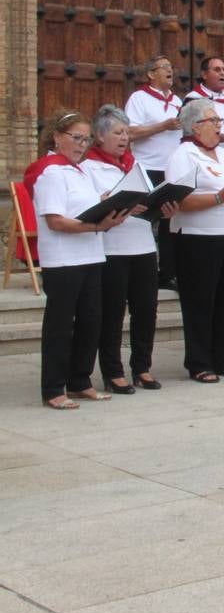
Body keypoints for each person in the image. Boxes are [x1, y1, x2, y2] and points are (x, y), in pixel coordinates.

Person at [34, 110, 133, 408]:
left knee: (91, 322)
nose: (81, 144)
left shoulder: (79, 171)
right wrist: (96, 226)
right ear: (57, 137)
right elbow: (56, 221)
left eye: (85, 139)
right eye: (75, 138)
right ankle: (53, 388)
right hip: (64, 261)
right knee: (61, 326)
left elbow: (87, 206)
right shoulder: (50, 172)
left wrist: (111, 205)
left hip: (91, 255)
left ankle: (80, 381)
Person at [82, 106, 171, 393]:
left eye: (126, 133)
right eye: (118, 133)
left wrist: (162, 207)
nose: (124, 139)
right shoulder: (89, 167)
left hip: (143, 245)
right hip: (112, 249)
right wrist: (112, 200)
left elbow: (147, 200)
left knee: (146, 310)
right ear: (99, 136)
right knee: (112, 313)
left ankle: (142, 366)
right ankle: (112, 371)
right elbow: (89, 206)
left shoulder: (137, 164)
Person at [166, 99, 224, 382]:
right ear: (196, 126)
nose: (219, 126)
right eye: (214, 121)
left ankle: (222, 356)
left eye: (219, 121)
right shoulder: (183, 155)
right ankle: (199, 361)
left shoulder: (223, 154)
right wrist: (216, 198)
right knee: (200, 300)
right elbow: (179, 199)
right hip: (199, 238)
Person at [125, 55, 183, 289]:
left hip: (171, 169)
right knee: (142, 220)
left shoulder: (178, 100)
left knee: (170, 220)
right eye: (164, 67)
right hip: (147, 167)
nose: (170, 71)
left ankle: (167, 273)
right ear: (151, 74)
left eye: (171, 67)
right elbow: (130, 132)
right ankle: (140, 273)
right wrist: (163, 126)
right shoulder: (139, 98)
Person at [184, 55, 224, 148]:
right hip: (207, 154)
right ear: (204, 75)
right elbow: (189, 132)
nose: (222, 73)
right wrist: (220, 138)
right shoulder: (194, 98)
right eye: (217, 70)